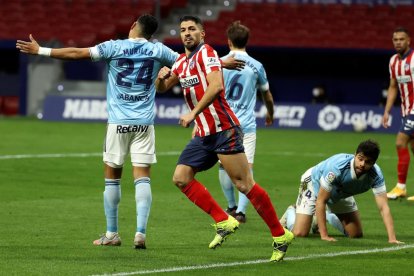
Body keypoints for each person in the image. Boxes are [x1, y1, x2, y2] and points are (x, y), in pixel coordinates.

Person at [16, 14, 182, 249]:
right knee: (142, 176)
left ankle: (112, 233)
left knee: (112, 177)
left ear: (134, 25)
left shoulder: (113, 47)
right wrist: (170, 77)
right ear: (151, 34)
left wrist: (41, 50)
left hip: (118, 123)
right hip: (144, 123)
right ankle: (140, 233)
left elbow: (76, 53)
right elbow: (188, 64)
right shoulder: (159, 51)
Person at [155, 15, 293, 262]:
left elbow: (217, 86)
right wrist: (160, 76)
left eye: (192, 29)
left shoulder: (207, 52)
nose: (186, 33)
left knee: (244, 185)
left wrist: (193, 113)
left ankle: (280, 235)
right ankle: (223, 220)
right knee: (181, 177)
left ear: (202, 33)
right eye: (183, 30)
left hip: (224, 129)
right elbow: (162, 89)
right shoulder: (181, 63)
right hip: (204, 133)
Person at [280, 140, 402, 244]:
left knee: (355, 234)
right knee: (300, 233)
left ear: (374, 163)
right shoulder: (337, 167)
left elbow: (383, 207)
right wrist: (324, 235)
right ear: (355, 155)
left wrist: (392, 238)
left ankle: (323, 217)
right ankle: (292, 211)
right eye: (360, 159)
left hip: (341, 193)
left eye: (368, 162)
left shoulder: (376, 175)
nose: (362, 164)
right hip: (314, 184)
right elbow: (321, 201)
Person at [217, 21, 274, 224]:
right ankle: (240, 212)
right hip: (246, 125)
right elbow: (267, 95)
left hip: (223, 123)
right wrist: (270, 113)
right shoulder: (257, 66)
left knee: (223, 167)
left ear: (229, 41)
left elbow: (209, 93)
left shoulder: (219, 62)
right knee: (246, 169)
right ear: (247, 41)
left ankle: (231, 206)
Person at [382, 27, 414, 201]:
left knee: (401, 141)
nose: (398, 42)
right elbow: (393, 86)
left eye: (402, 39)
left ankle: (401, 187)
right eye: (395, 40)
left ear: (409, 40)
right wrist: (387, 111)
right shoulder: (393, 61)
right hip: (406, 110)